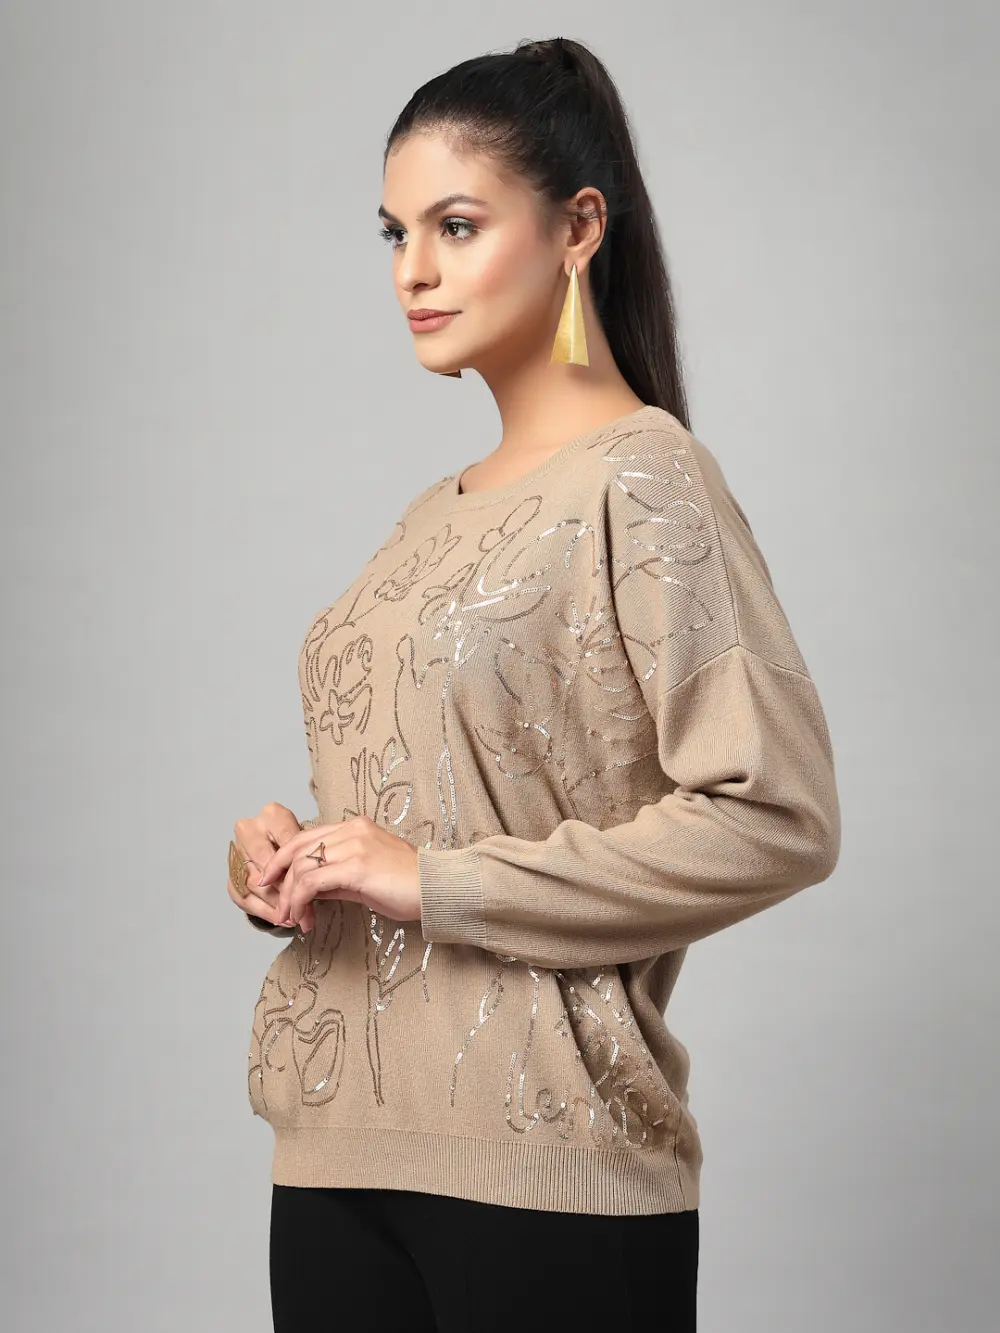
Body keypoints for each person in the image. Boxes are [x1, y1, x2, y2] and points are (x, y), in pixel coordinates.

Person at [225, 35, 841, 1332]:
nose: (413, 270)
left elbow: (776, 815)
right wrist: (300, 859)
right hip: (330, 1157)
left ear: (578, 229)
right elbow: (447, 796)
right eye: (394, 233)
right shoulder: (423, 517)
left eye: (455, 226)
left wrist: (434, 878)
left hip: (545, 1170)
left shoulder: (644, 478)